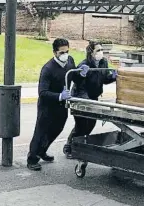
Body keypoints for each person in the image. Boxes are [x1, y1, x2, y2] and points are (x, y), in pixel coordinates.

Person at [27, 38, 89, 171]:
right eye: (62, 52)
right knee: (41, 132)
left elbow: (74, 77)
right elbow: (42, 92)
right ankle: (32, 158)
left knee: (57, 129)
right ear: (55, 52)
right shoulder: (48, 69)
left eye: (67, 51)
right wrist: (60, 96)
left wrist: (82, 74)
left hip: (61, 105)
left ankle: (42, 151)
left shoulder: (70, 61)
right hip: (47, 105)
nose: (65, 55)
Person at [62, 41, 117, 159]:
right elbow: (76, 81)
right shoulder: (84, 64)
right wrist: (81, 74)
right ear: (91, 53)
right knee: (81, 125)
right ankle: (69, 147)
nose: (101, 52)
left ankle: (80, 145)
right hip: (80, 97)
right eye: (98, 50)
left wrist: (112, 77)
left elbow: (104, 78)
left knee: (91, 123)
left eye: (101, 50)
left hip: (93, 97)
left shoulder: (103, 63)